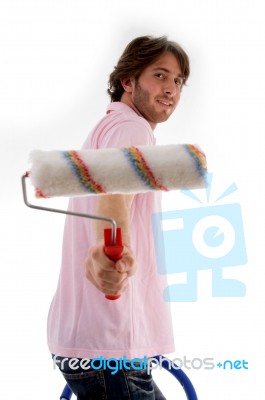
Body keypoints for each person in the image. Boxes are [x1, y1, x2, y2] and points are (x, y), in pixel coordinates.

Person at [49, 35, 190, 399]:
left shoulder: (108, 128)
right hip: (110, 349)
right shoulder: (132, 128)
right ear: (128, 82)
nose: (171, 88)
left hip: (97, 346)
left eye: (178, 81)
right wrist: (109, 248)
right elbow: (115, 200)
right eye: (160, 75)